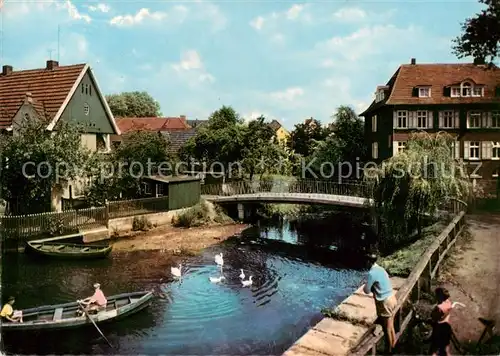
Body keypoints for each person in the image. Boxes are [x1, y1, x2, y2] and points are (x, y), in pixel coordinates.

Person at [363, 253, 397, 354]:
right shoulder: (381, 269)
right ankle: (394, 346)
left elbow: (366, 290)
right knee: (391, 326)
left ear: (369, 262)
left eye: (366, 261)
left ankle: (389, 352)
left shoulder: (372, 273)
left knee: (387, 328)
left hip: (385, 302)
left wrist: (368, 285)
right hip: (392, 298)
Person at [429, 287, 453, 356]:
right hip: (447, 327)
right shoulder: (448, 302)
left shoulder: (439, 308)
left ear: (440, 297)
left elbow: (434, 317)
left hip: (439, 328)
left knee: (434, 349)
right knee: (446, 347)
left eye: (436, 295)